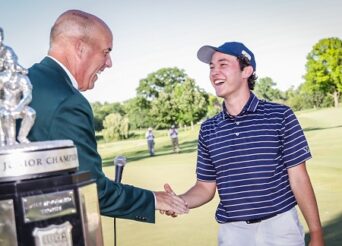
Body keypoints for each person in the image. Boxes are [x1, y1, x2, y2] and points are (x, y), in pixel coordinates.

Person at [27, 9, 188, 223]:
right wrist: (154, 199)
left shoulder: (21, 83)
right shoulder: (68, 100)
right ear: (80, 48)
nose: (109, 62)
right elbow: (91, 191)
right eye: (106, 51)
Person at [166, 42, 324, 245]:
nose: (214, 72)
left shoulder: (280, 116)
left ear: (246, 71)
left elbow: (299, 178)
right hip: (233, 233)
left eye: (223, 64)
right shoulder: (208, 129)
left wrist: (317, 232)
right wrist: (179, 201)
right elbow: (205, 188)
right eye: (212, 67)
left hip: (281, 227)